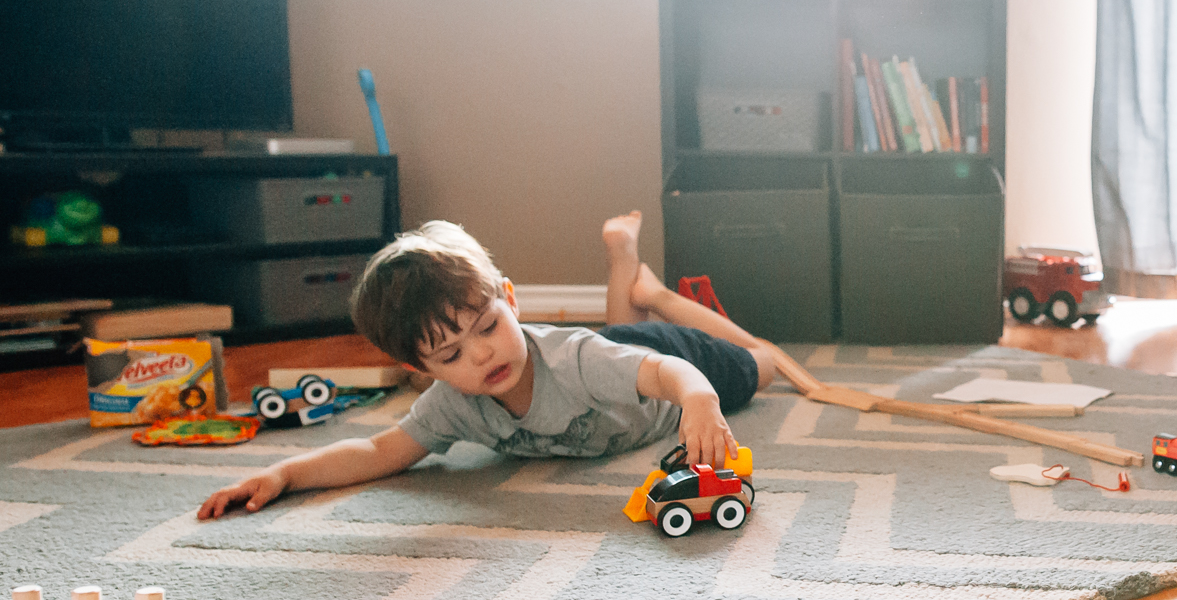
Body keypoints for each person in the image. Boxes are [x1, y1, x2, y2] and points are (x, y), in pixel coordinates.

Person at [197, 212, 777, 520]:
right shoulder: (452, 404)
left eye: (489, 327)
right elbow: (380, 452)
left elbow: (662, 375)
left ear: (511, 300)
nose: (482, 354)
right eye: (450, 355)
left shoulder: (574, 360)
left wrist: (701, 400)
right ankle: (627, 268)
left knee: (760, 368)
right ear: (419, 367)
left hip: (669, 357)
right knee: (608, 340)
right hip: (611, 356)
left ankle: (666, 300)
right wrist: (284, 475)